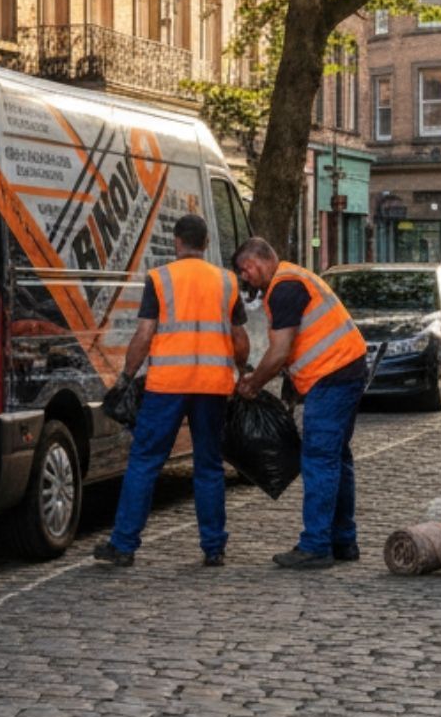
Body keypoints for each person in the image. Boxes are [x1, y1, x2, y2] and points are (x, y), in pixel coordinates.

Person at [92, 214, 250, 568]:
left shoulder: (160, 280)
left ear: (177, 242)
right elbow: (239, 338)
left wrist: (125, 378)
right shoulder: (227, 282)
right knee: (208, 465)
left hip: (168, 386)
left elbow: (145, 335)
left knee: (145, 462)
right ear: (206, 243)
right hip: (212, 386)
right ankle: (213, 547)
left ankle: (124, 544)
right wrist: (244, 373)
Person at [232, 238, 369, 569]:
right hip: (346, 368)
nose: (245, 279)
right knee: (338, 457)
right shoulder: (294, 277)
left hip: (332, 375)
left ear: (256, 263)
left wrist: (253, 383)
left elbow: (279, 351)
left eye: (244, 271)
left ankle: (316, 544)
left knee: (319, 458)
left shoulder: (285, 287)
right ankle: (342, 540)